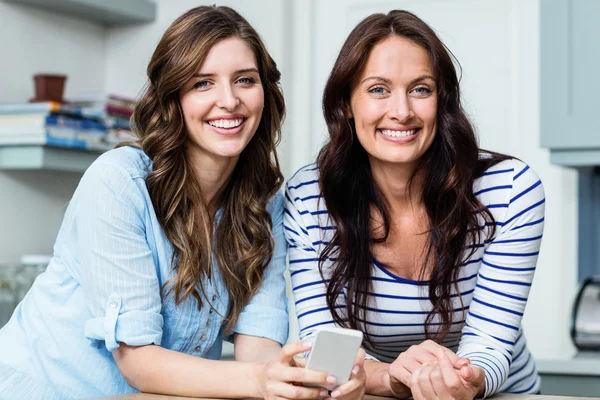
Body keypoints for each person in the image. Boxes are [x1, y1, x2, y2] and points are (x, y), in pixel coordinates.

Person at [0, 6, 366, 400]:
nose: (229, 101)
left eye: (245, 80)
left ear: (265, 92)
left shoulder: (265, 204)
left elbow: (258, 347)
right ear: (173, 97)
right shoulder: (119, 182)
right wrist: (260, 380)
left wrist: (298, 382)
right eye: (202, 83)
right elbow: (138, 360)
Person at [284, 9, 545, 400]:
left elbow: (488, 344)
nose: (402, 111)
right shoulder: (309, 198)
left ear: (442, 102)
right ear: (347, 104)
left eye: (421, 89)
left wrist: (464, 379)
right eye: (378, 89)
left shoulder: (508, 193)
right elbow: (328, 359)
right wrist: (393, 377)